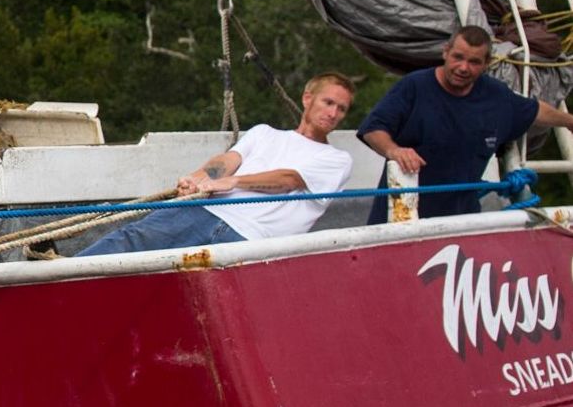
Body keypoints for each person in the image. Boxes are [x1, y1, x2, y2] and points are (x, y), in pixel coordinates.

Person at [81, 74, 358, 258]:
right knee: (132, 238)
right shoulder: (264, 133)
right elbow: (227, 161)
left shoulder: (337, 160)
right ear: (308, 99)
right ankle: (55, 282)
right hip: (205, 210)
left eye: (342, 109)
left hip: (253, 240)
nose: (333, 113)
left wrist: (234, 182)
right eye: (328, 102)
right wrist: (198, 178)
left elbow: (290, 179)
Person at [357, 26, 573, 223]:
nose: (463, 67)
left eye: (474, 62)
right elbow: (373, 129)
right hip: (399, 221)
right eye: (457, 57)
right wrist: (395, 151)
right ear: (445, 52)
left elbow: (535, 110)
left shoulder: (495, 95)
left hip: (462, 224)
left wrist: (569, 121)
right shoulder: (414, 86)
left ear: (486, 64)